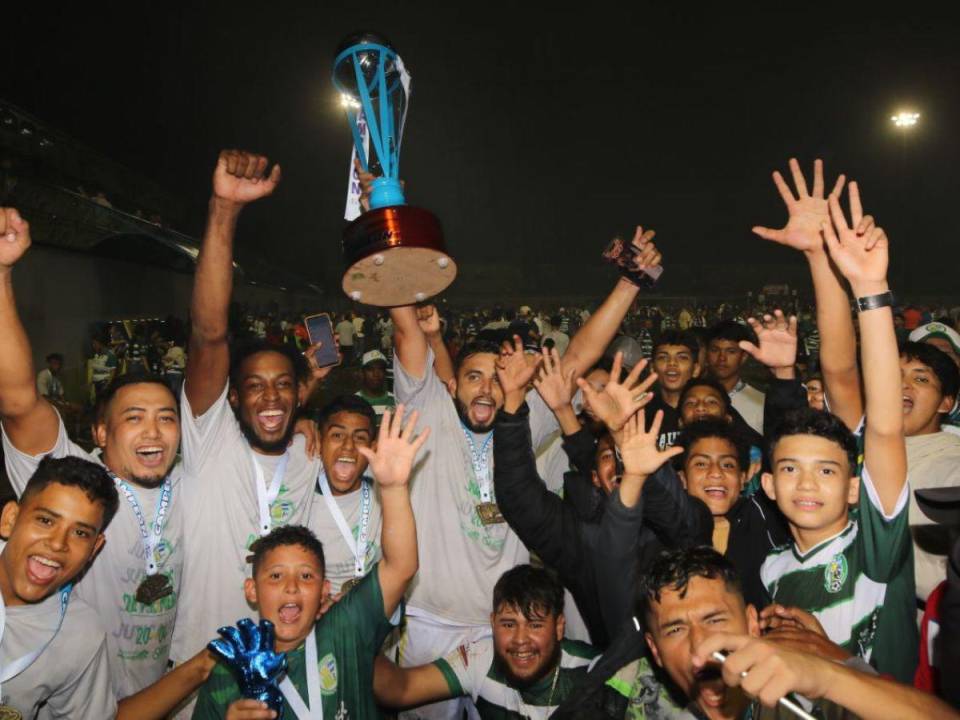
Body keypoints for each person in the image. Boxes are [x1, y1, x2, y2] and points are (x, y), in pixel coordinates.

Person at [387, 224, 662, 719]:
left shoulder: (521, 421)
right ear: (452, 386)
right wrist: (383, 215)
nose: (488, 389)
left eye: (499, 378)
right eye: (474, 377)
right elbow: (406, 325)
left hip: (511, 629)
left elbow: (578, 355)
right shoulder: (427, 413)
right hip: (435, 625)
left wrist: (632, 281)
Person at [0, 206, 187, 698]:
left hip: (163, 693)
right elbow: (19, 400)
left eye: (166, 417)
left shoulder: (192, 485)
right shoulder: (74, 483)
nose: (153, 431)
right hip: (80, 694)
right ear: (100, 432)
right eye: (134, 417)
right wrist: (1, 273)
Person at [169, 151, 327, 685]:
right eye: (254, 387)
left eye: (283, 385)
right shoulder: (209, 440)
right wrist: (224, 210)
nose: (271, 398)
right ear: (232, 398)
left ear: (300, 395)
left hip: (287, 666)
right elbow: (209, 333)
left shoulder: (311, 454)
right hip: (203, 668)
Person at [759, 182, 917, 682]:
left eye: (827, 470)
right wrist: (816, 256)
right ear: (767, 484)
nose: (807, 484)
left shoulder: (873, 548)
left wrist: (869, 291)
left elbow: (880, 422)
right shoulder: (770, 571)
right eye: (790, 468)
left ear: (854, 486)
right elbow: (839, 377)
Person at [192, 405, 427, 718]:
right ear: (252, 589)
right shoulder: (225, 679)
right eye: (276, 577)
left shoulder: (342, 630)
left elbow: (401, 566)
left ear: (323, 585)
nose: (291, 587)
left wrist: (394, 488)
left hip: (359, 636)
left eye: (306, 576)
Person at [640, 547, 958, 720]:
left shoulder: (808, 702)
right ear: (654, 650)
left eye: (715, 620)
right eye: (676, 629)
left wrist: (828, 674)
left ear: (752, 624)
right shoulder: (644, 707)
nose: (701, 645)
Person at [374, 565, 600, 718]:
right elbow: (398, 688)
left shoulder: (593, 671)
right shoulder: (480, 658)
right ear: (492, 623)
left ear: (559, 627)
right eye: (509, 625)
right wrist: (352, 631)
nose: (521, 640)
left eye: (535, 625)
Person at [0, 456, 119, 717]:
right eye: (45, 521)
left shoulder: (80, 634)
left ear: (94, 549)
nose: (57, 544)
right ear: (10, 519)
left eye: (80, 533)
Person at [306, 395, 383, 595]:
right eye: (337, 435)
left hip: (370, 613)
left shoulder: (385, 491)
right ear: (320, 441)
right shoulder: (303, 497)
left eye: (360, 438)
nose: (348, 446)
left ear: (372, 447)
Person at [705, 320, 765, 436]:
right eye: (715, 350)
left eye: (731, 351)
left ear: (743, 357)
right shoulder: (693, 399)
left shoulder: (760, 402)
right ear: (706, 354)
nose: (722, 358)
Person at [647, 330, 701, 449]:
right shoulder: (641, 411)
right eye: (663, 357)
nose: (672, 363)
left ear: (696, 369)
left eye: (682, 357)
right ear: (652, 368)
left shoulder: (709, 409)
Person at [355, 350, 397, 421]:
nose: (376, 374)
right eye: (370, 369)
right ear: (362, 373)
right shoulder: (354, 401)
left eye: (380, 369)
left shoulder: (394, 400)